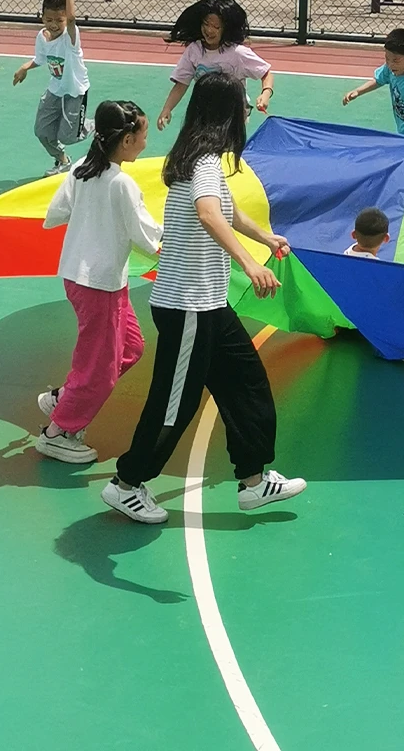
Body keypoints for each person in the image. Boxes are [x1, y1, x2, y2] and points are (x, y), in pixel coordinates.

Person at [102, 72, 307, 524]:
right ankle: (127, 484)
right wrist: (249, 264)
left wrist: (266, 237)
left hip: (210, 304)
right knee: (176, 402)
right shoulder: (204, 163)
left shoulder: (198, 156)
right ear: (227, 111)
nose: (249, 108)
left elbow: (227, 209)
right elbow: (209, 213)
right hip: (187, 304)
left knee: (246, 384)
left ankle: (254, 481)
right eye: (243, 102)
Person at [36, 101, 162, 464]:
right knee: (101, 371)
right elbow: (147, 239)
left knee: (131, 348)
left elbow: (56, 213)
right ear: (125, 140)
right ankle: (58, 432)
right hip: (99, 285)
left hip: (84, 278)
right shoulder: (121, 183)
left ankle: (67, 396)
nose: (145, 141)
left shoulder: (81, 169)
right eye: (143, 134)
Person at [12, 0, 93, 176]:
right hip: (55, 90)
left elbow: (73, 19)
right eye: (49, 20)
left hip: (74, 91)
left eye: (59, 20)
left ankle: (96, 124)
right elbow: (40, 59)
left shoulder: (70, 39)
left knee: (68, 136)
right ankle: (63, 161)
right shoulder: (42, 36)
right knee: (42, 132)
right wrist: (25, 68)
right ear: (43, 19)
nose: (54, 24)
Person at [157, 0, 275, 131]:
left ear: (226, 29)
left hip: (233, 115)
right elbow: (181, 83)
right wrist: (167, 108)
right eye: (206, 24)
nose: (209, 30)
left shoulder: (238, 53)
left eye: (216, 27)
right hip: (204, 112)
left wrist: (265, 94)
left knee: (224, 147)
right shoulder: (194, 50)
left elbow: (266, 73)